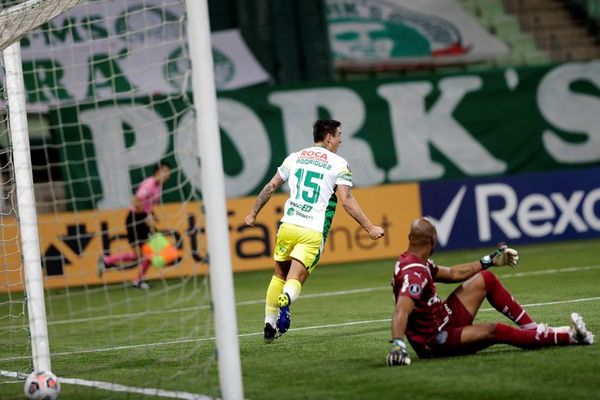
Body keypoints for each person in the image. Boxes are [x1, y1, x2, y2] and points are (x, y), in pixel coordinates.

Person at [244, 119, 385, 343]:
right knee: (296, 277)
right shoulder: (339, 164)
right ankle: (287, 299)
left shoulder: (294, 157)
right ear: (328, 137)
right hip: (313, 229)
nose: (341, 140)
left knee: (279, 274)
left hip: (288, 225)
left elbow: (271, 187)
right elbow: (347, 201)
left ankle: (269, 325)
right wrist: (369, 227)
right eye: (339, 135)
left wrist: (253, 213)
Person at [387, 217, 595, 366]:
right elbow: (401, 310)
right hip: (436, 340)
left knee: (485, 279)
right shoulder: (415, 272)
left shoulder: (413, 260)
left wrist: (489, 260)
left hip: (443, 318)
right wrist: (398, 345)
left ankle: (533, 329)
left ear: (410, 238)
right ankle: (571, 337)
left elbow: (453, 274)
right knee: (494, 330)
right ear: (433, 240)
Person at [97, 162, 171, 289]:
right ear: (157, 172)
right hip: (135, 220)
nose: (167, 174)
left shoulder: (158, 186)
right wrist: (146, 216)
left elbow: (147, 204)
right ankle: (135, 279)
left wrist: (151, 214)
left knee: (144, 254)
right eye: (164, 171)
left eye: (168, 171)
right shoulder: (150, 184)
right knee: (150, 252)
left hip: (142, 219)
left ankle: (108, 261)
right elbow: (136, 200)